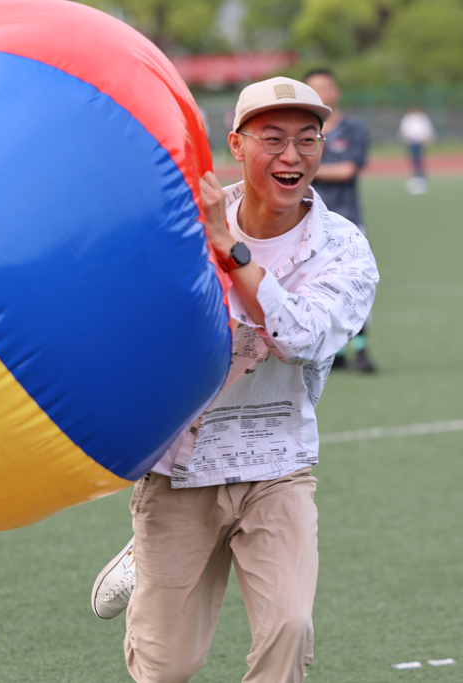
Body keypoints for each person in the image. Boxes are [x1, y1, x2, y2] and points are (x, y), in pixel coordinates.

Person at [90, 76, 378, 683]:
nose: (291, 156)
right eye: (272, 139)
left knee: (290, 630)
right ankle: (147, 549)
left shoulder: (343, 248)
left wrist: (233, 253)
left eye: (308, 138)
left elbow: (304, 337)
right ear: (237, 145)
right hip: (180, 466)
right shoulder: (183, 221)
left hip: (278, 462)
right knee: (168, 667)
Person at [304, 69, 376, 372]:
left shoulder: (353, 129)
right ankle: (333, 353)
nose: (322, 93)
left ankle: (361, 349)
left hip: (347, 221)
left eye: (326, 87)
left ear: (337, 91)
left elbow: (348, 170)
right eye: (314, 88)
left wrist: (307, 169)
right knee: (311, 288)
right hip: (306, 222)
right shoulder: (301, 130)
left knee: (354, 288)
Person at [398, 107, 435, 195]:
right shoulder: (407, 118)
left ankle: (421, 175)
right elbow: (404, 130)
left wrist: (427, 137)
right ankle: (415, 175)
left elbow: (427, 128)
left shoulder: (422, 117)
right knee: (413, 159)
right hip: (411, 141)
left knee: (420, 159)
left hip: (420, 141)